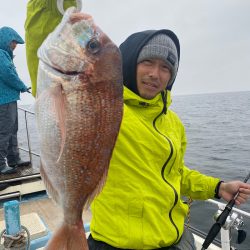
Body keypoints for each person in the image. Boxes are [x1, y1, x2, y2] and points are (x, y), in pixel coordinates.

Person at [87, 29, 250, 250]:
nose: (156, 73)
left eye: (166, 67)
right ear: (127, 63)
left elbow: (176, 174)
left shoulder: (172, 122)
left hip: (173, 237)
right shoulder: (101, 108)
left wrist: (219, 187)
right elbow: (52, 77)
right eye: (147, 61)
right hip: (118, 244)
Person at [0, 26, 31, 175]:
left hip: (10, 99)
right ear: (6, 40)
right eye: (14, 42)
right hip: (4, 101)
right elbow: (8, 75)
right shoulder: (0, 55)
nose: (15, 45)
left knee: (13, 130)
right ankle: (0, 165)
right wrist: (23, 86)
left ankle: (13, 159)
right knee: (4, 132)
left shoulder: (5, 54)